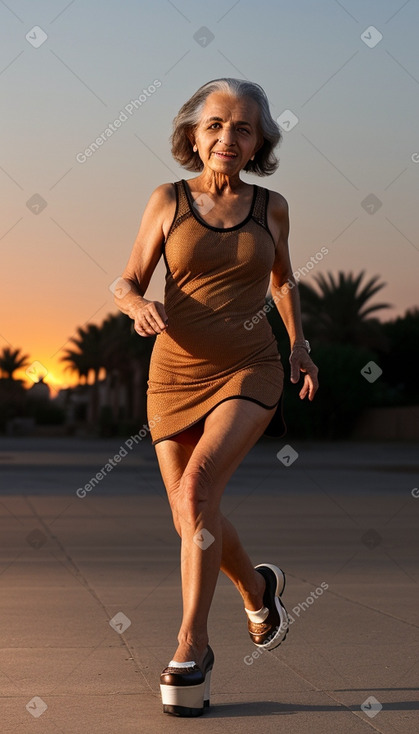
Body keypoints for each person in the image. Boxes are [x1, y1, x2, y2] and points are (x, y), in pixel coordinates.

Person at [114, 78, 319, 717]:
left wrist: (300, 347)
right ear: (194, 135)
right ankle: (259, 589)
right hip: (173, 374)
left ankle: (191, 647)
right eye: (216, 126)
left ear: (258, 141)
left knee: (200, 489)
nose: (228, 138)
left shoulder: (272, 207)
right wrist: (134, 303)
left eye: (243, 129)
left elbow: (283, 282)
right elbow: (127, 279)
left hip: (249, 367)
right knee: (189, 515)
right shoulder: (166, 199)